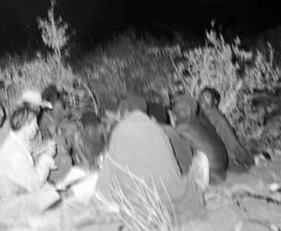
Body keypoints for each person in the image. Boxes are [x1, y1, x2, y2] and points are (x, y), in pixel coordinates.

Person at [94, 94, 209, 223]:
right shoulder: (157, 129)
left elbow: (104, 183)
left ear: (126, 112)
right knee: (201, 159)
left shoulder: (120, 130)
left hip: (137, 203)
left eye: (120, 114)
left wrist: (100, 196)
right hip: (169, 198)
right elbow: (172, 169)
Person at [0, 104, 59, 223]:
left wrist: (43, 151)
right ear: (25, 125)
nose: (37, 128)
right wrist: (47, 157)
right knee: (51, 196)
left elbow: (28, 155)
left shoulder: (15, 141)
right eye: (34, 124)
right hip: (4, 201)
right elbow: (34, 184)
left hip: (8, 190)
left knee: (52, 192)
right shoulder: (16, 152)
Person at [171, 94, 228, 184]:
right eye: (174, 111)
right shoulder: (203, 121)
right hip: (222, 170)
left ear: (188, 110)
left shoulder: (183, 127)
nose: (174, 114)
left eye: (177, 110)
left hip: (209, 174)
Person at [199, 87, 254, 171]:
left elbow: (233, 145)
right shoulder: (203, 116)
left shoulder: (218, 119)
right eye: (201, 96)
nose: (202, 99)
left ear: (215, 102)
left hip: (221, 161)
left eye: (207, 97)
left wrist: (249, 161)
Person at [0, 88, 52, 153]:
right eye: (33, 107)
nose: (36, 111)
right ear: (23, 107)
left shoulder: (36, 129)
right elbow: (2, 151)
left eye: (38, 108)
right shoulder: (11, 124)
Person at [38, 85, 76, 183]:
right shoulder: (43, 118)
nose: (61, 111)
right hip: (46, 153)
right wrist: (60, 117)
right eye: (58, 109)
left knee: (72, 133)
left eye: (61, 108)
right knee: (60, 139)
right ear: (49, 108)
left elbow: (72, 126)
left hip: (57, 150)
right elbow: (52, 130)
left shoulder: (54, 116)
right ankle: (56, 177)